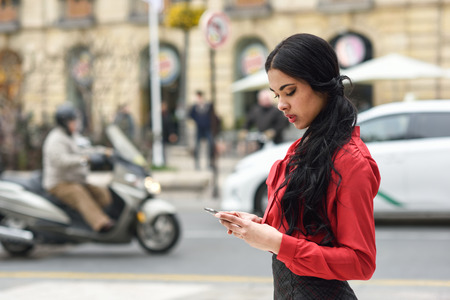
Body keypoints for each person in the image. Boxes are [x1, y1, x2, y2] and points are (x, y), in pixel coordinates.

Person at [215, 33, 381, 299]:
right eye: (276, 94)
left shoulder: (350, 162)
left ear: (321, 85)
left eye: (290, 91)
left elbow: (361, 262)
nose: (281, 104)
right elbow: (305, 233)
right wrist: (257, 226)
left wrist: (275, 242)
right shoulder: (304, 149)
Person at [42, 103, 115, 233]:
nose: (76, 124)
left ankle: (84, 220)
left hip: (75, 180)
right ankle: (101, 223)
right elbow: (61, 161)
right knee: (79, 193)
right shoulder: (56, 139)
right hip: (59, 183)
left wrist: (104, 152)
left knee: (102, 192)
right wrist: (84, 159)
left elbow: (86, 150)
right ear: (64, 122)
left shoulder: (72, 136)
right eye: (73, 121)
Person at [189, 90, 216, 170]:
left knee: (210, 145)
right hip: (199, 129)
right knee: (197, 147)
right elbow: (190, 115)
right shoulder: (195, 107)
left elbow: (213, 116)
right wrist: (197, 120)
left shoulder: (208, 105)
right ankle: (197, 164)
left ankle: (210, 163)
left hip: (207, 128)